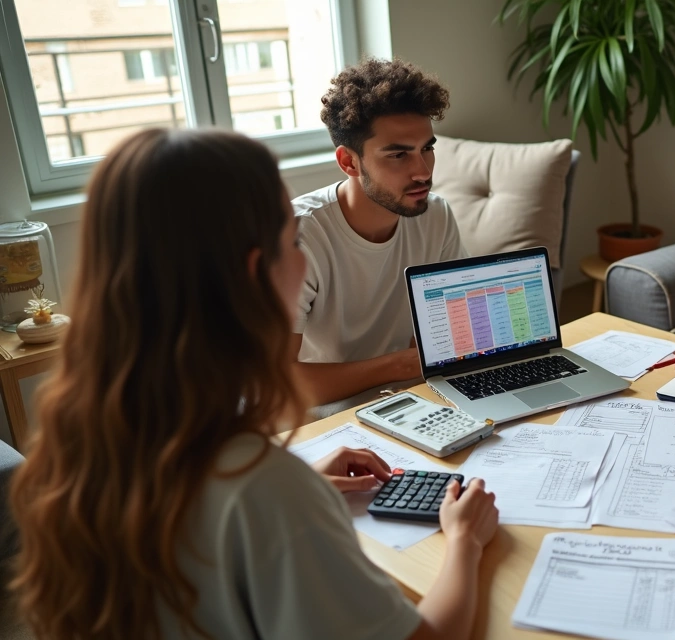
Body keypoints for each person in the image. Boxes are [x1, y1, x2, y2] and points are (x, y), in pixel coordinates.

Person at [8, 129, 499, 640]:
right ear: (253, 273)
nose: (304, 258)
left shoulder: (84, 443)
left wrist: (299, 488)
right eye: (291, 241)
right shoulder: (265, 490)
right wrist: (466, 541)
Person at [292, 58, 468, 415]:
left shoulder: (437, 216)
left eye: (427, 149)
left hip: (417, 401)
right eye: (399, 154)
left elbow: (449, 336)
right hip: (327, 421)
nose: (423, 172)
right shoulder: (298, 238)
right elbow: (276, 384)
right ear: (349, 162)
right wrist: (400, 365)